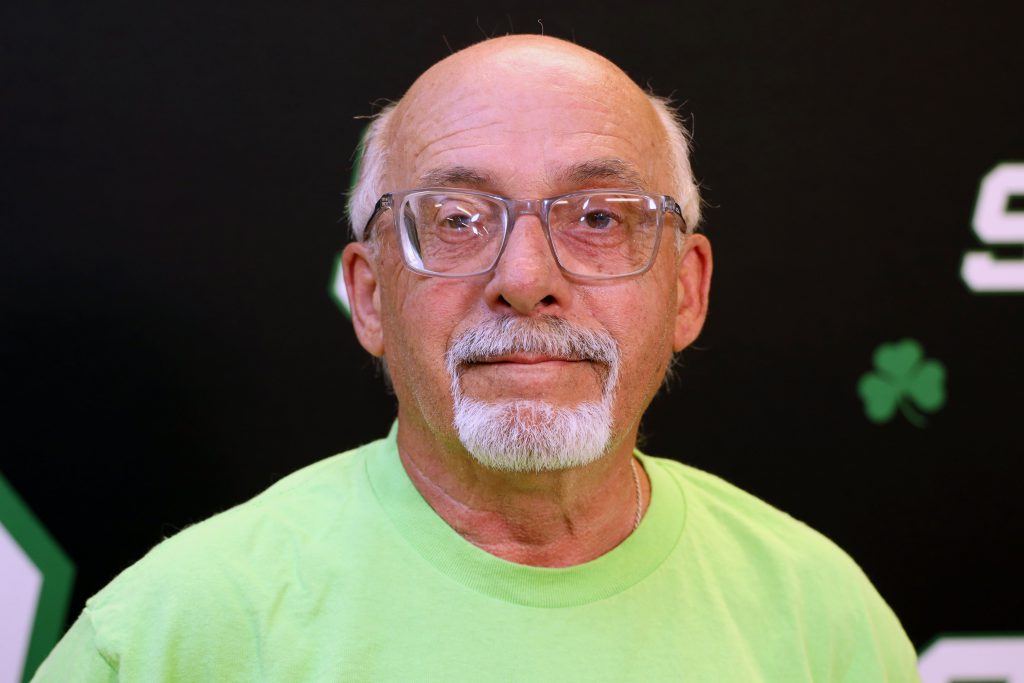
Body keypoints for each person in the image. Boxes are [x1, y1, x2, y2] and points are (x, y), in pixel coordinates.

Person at [35, 35, 920, 681]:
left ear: (685, 289)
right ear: (372, 294)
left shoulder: (820, 617)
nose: (526, 279)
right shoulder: (173, 635)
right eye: (457, 220)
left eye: (599, 217)